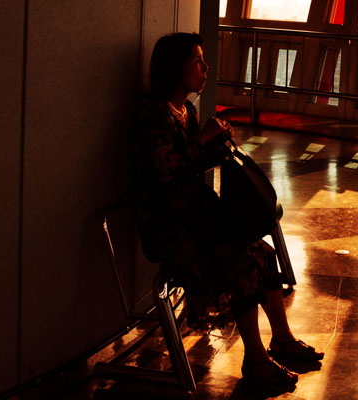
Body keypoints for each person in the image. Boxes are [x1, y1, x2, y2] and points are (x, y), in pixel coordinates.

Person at [132, 32, 323, 390]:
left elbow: (189, 163)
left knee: (263, 253)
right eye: (197, 62)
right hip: (171, 229)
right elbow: (165, 172)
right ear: (176, 69)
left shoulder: (184, 110)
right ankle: (256, 361)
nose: (205, 69)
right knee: (243, 261)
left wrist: (212, 143)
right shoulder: (154, 115)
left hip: (195, 221)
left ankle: (280, 338)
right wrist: (202, 140)